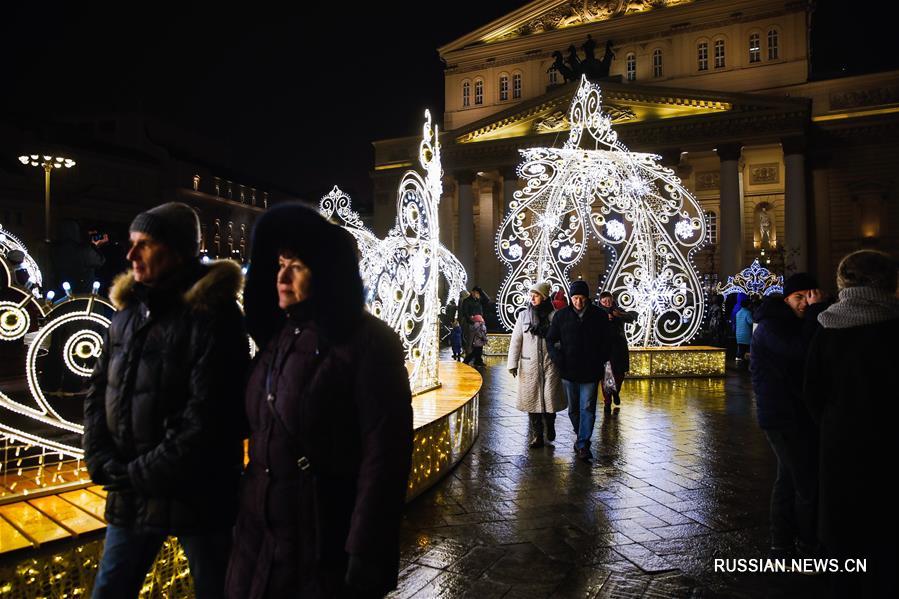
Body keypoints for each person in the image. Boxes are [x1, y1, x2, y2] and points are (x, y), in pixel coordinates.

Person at [227, 203, 413, 598]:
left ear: (326, 272)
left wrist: (364, 550)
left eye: (296, 265)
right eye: (278, 263)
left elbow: (385, 456)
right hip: (259, 542)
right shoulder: (277, 341)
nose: (281, 276)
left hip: (322, 544)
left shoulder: (371, 343)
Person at [84, 202, 249, 598]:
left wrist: (138, 472)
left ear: (177, 250)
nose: (129, 255)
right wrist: (98, 456)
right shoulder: (126, 314)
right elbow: (97, 391)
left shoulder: (216, 315)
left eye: (144, 244)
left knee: (216, 586)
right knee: (110, 588)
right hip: (130, 490)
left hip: (198, 494)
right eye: (131, 243)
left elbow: (208, 416)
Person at [804, 250, 899, 597]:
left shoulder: (828, 326)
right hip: (890, 441)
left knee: (843, 528)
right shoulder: (893, 325)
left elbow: (811, 390)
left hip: (841, 439)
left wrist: (832, 422)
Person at [749, 273, 826, 560]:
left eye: (810, 296)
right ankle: (806, 545)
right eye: (799, 297)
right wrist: (817, 312)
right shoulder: (771, 325)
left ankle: (781, 544)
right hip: (782, 415)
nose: (805, 303)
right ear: (786, 299)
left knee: (788, 479)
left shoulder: (787, 322)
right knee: (805, 482)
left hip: (791, 413)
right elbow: (801, 351)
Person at [546, 280, 612, 461]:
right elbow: (550, 340)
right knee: (573, 409)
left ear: (587, 298)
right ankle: (580, 433)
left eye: (582, 298)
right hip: (569, 370)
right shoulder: (561, 316)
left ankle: (583, 443)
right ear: (570, 298)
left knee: (588, 407)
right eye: (575, 298)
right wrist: (558, 359)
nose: (578, 302)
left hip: (590, 371)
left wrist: (601, 358)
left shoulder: (598, 316)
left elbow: (607, 340)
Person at [507, 282, 566, 448]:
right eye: (531, 295)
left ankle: (551, 424)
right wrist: (512, 363)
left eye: (536, 294)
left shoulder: (555, 316)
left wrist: (560, 355)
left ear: (545, 296)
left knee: (550, 399)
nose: (532, 298)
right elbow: (516, 341)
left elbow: (562, 339)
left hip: (550, 364)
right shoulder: (524, 316)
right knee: (532, 401)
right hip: (529, 365)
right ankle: (537, 435)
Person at [597, 291, 636, 408]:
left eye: (609, 301)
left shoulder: (618, 310)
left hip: (619, 348)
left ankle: (616, 392)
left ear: (612, 300)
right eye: (604, 301)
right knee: (607, 375)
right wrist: (604, 318)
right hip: (605, 348)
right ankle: (607, 401)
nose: (607, 303)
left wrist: (618, 315)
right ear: (600, 301)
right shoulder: (597, 312)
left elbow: (631, 317)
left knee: (619, 374)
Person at [459, 287, 483, 362]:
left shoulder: (478, 301)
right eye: (476, 293)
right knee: (470, 342)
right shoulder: (466, 301)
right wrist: (471, 320)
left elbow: (481, 310)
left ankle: (477, 359)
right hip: (470, 324)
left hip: (478, 323)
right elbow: (465, 312)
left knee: (478, 342)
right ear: (472, 292)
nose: (477, 295)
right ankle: (467, 359)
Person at [734, 298, 754, 364]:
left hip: (738, 334)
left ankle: (738, 361)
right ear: (748, 305)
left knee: (740, 349)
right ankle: (744, 363)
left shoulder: (738, 313)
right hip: (746, 334)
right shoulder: (748, 313)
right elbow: (750, 322)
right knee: (746, 350)